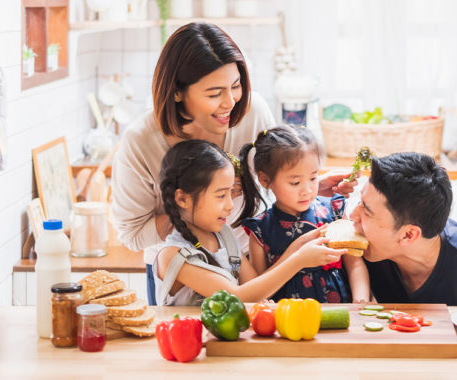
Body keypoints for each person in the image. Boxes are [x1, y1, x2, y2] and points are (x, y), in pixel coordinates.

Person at [110, 22, 357, 305]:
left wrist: (301, 184)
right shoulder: (141, 141)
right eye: (214, 93)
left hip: (242, 259)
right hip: (182, 271)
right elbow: (131, 235)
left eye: (236, 85)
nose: (230, 102)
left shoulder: (252, 111)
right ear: (177, 92)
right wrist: (197, 204)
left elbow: (274, 168)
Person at [154, 139, 346, 305]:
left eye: (231, 193)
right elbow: (239, 296)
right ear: (182, 199)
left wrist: (297, 247)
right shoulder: (172, 256)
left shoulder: (224, 235)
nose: (230, 205)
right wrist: (299, 260)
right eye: (221, 195)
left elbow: (257, 286)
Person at [350, 152, 457, 306]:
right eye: (360, 202)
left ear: (408, 235)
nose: (352, 216)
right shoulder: (370, 247)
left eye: (366, 210)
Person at [236, 125, 370, 303]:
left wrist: (361, 301)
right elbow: (262, 286)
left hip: (338, 310)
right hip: (288, 317)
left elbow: (354, 264)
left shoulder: (334, 212)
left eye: (313, 178)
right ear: (265, 180)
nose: (306, 190)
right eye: (295, 182)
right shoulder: (260, 230)